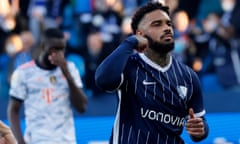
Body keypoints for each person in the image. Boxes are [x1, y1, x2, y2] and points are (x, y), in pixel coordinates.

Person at [95, 2, 209, 144]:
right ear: (140, 34)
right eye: (157, 24)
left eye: (168, 23)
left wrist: (200, 129)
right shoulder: (129, 65)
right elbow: (103, 80)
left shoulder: (189, 77)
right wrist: (129, 43)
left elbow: (200, 126)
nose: (167, 28)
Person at [7, 28, 88, 144]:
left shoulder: (70, 69)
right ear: (43, 46)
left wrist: (66, 73)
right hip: (36, 140)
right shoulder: (24, 73)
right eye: (54, 49)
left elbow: (82, 107)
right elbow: (13, 110)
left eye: (62, 49)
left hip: (65, 140)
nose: (59, 54)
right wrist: (19, 141)